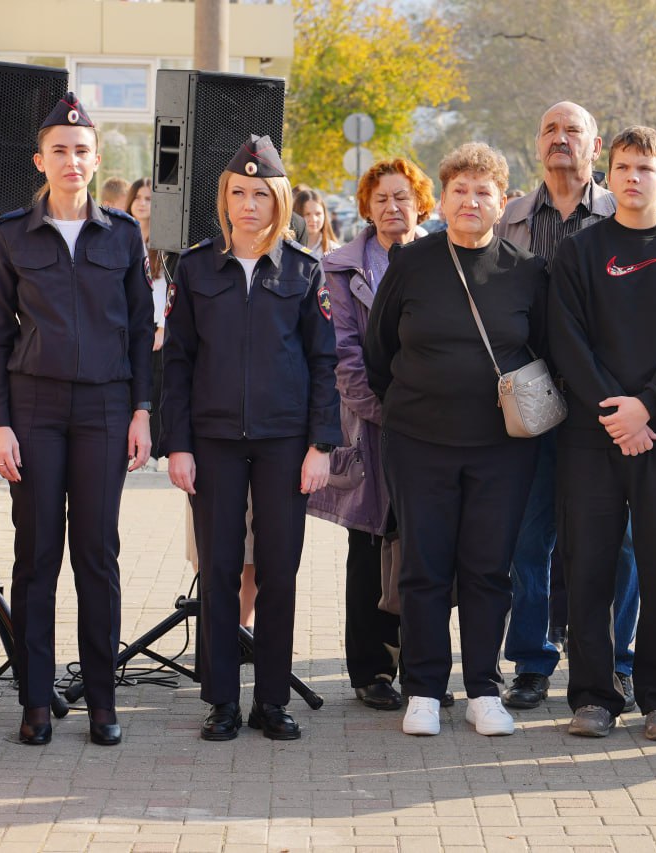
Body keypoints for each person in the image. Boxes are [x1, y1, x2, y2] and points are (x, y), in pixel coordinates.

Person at [0, 93, 154, 746]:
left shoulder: (124, 234)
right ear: (40, 160)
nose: (72, 160)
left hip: (106, 407)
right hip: (35, 409)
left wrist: (142, 409)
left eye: (82, 151)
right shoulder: (11, 233)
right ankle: (34, 699)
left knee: (97, 555)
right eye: (60, 150)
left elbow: (142, 329)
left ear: (96, 158)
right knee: (37, 555)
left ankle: (103, 701)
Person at [364, 142, 548, 738]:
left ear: (503, 201)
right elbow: (378, 350)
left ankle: (483, 690)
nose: (471, 201)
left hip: (502, 449)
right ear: (441, 200)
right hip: (420, 441)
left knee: (488, 569)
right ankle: (422, 687)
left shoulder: (526, 272)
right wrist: (410, 401)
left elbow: (542, 352)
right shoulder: (411, 263)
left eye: (483, 192)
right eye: (460, 191)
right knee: (424, 566)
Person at [161, 135, 341, 742]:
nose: (248, 205)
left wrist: (321, 445)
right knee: (217, 569)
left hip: (284, 443)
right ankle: (220, 701)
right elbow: (177, 362)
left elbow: (325, 363)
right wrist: (176, 444)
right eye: (238, 193)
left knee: (279, 572)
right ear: (225, 200)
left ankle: (271, 700)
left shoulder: (304, 269)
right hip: (211, 440)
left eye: (260, 194)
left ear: (279, 201)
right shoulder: (194, 266)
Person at [550, 126, 656, 741]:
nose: (632, 177)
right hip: (592, 440)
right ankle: (595, 695)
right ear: (609, 174)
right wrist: (615, 414)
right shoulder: (579, 252)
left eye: (645, 168)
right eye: (622, 167)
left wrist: (646, 408)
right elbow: (567, 341)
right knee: (588, 569)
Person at [493, 101, 641, 713]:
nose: (560, 139)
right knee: (529, 542)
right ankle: (531, 662)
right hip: (531, 407)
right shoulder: (509, 221)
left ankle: (616, 660)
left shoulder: (622, 214)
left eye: (572, 131)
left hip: (605, 406)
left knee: (620, 544)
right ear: (537, 142)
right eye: (550, 128)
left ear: (596, 146)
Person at [307, 157, 436, 711]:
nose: (392, 207)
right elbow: (344, 357)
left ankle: (422, 668)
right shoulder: (341, 269)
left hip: (435, 433)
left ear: (421, 203)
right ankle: (371, 671)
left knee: (427, 550)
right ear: (366, 206)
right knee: (369, 547)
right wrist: (388, 412)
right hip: (373, 431)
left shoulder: (442, 256)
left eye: (402, 197)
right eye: (381, 198)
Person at [122, 178, 166, 459]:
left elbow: (167, 288)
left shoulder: (164, 244)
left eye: (149, 199)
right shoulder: (121, 236)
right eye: (138, 197)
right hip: (125, 325)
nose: (142, 203)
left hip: (156, 326)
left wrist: (163, 326)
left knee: (153, 385)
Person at [294, 188, 341, 256]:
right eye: (307, 214)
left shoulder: (335, 251)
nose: (313, 219)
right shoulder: (283, 249)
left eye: (318, 214)